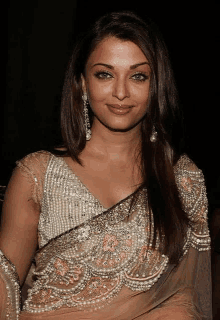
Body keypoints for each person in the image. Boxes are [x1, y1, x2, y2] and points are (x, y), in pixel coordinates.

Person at [0, 10, 212, 320]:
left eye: (138, 75)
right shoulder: (38, 175)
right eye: (105, 74)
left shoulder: (183, 179)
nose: (121, 92)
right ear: (82, 83)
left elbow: (186, 297)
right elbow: (4, 289)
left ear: (156, 85)